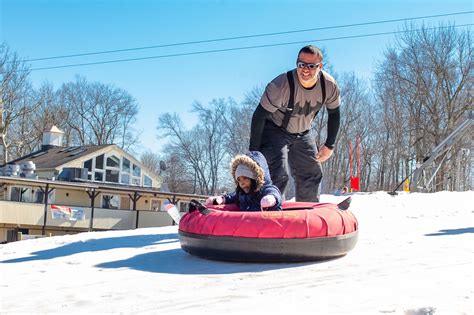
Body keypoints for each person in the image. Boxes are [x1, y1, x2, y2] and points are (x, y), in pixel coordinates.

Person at [249, 45, 341, 202]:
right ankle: (272, 212)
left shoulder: (329, 86)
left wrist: (330, 145)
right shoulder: (280, 85)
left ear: (320, 66)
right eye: (301, 64)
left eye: (311, 66)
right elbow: (258, 116)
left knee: (311, 171)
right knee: (278, 173)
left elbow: (334, 114)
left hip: (304, 132)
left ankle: (307, 214)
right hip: (275, 130)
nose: (305, 70)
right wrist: (254, 154)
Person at [205, 151, 282, 211]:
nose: (242, 183)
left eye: (245, 178)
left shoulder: (264, 190)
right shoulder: (241, 194)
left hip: (266, 224)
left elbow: (273, 192)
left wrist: (271, 198)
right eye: (239, 180)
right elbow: (232, 196)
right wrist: (222, 199)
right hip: (248, 225)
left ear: (255, 178)